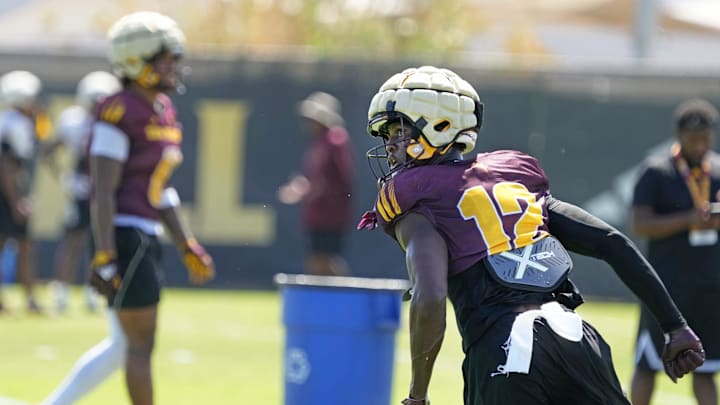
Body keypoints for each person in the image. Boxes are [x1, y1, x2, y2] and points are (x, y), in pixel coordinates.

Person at [356, 66, 705, 405]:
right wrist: (675, 327)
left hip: (504, 354)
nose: (390, 144)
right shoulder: (513, 179)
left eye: (399, 131)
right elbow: (612, 243)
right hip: (578, 341)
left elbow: (431, 296)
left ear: (440, 127)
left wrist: (417, 395)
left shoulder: (415, 197)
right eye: (387, 135)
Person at [41, 11, 215, 405]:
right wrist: (104, 253)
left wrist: (186, 243)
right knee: (139, 344)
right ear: (136, 61)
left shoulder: (162, 110)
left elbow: (161, 189)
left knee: (124, 344)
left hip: (143, 231)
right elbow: (103, 189)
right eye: (165, 60)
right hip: (124, 232)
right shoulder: (118, 109)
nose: (174, 67)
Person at [630, 98, 720, 405]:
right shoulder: (656, 170)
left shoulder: (717, 170)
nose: (700, 146)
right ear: (678, 136)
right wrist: (688, 220)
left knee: (706, 370)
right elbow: (639, 223)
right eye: (694, 139)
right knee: (648, 365)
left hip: (709, 289)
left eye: (706, 139)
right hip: (665, 288)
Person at [43, 71, 122, 314]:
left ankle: (93, 292)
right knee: (73, 241)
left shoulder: (116, 122)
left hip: (105, 189)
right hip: (82, 188)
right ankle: (61, 293)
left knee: (100, 241)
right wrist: (65, 178)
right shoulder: (74, 121)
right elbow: (48, 151)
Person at [277, 91, 354, 276]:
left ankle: (344, 297)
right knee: (318, 260)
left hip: (330, 215)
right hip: (319, 215)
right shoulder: (321, 143)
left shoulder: (334, 140)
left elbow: (330, 181)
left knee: (323, 261)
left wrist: (304, 190)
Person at [0, 70, 45, 313]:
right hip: (7, 193)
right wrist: (17, 199)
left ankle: (27, 298)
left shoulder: (5, 119)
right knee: (25, 245)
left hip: (8, 191)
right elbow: (6, 165)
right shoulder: (17, 123)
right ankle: (30, 299)